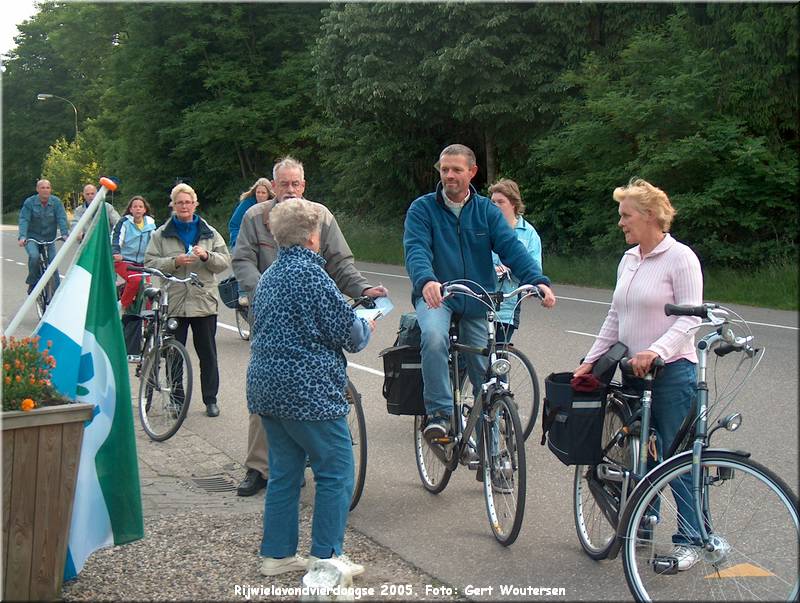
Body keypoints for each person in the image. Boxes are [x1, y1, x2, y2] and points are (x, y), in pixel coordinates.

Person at [232, 156, 387, 497]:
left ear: (304, 185)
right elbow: (242, 259)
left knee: (325, 377)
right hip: (269, 313)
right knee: (269, 388)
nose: (290, 190)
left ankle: (317, 457)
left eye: (296, 184)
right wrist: (264, 291)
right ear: (272, 187)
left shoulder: (321, 216)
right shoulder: (255, 217)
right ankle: (259, 466)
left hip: (314, 309)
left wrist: (363, 290)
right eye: (284, 184)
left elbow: (341, 263)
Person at [573, 178, 703, 571]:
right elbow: (616, 317)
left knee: (674, 457)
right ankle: (644, 522)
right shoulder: (629, 260)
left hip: (671, 372)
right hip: (631, 371)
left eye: (626, 215)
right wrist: (591, 359)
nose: (621, 223)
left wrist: (655, 351)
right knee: (638, 456)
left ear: (649, 216)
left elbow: (690, 320)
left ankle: (690, 540)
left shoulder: (680, 258)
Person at [247, 198, 373, 578]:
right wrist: (366, 322)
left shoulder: (269, 277)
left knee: (284, 472)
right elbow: (349, 334)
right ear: (313, 236)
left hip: (266, 388)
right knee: (335, 469)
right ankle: (327, 557)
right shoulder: (312, 275)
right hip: (308, 390)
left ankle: (277, 554)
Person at [403, 144, 556, 443]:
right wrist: (426, 281)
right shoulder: (423, 208)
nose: (449, 175)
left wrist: (538, 281)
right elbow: (416, 250)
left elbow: (511, 248)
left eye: (457, 170)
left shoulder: (486, 210)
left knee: (486, 375)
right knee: (434, 338)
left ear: (472, 172)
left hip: (476, 298)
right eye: (445, 169)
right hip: (438, 295)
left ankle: (495, 453)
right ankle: (439, 414)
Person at [144, 183, 231, 417]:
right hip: (174, 302)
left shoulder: (209, 232)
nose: (184, 206)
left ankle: (210, 400)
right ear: (173, 205)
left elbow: (224, 261)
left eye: (188, 202)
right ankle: (176, 398)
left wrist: (206, 255)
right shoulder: (160, 234)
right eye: (179, 202)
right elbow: (149, 263)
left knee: (208, 354)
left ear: (195, 204)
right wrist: (174, 262)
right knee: (173, 353)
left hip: (203, 301)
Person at [488, 178, 543, 343]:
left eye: (500, 202)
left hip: (508, 307)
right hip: (482, 301)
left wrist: (532, 287)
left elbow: (534, 267)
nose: (495, 205)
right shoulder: (485, 228)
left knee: (499, 355)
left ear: (513, 204)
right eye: (492, 202)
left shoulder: (529, 233)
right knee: (476, 355)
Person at [112, 195, 157, 360]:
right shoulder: (124, 222)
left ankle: (147, 323)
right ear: (130, 209)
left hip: (143, 263)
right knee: (136, 280)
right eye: (134, 206)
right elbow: (116, 238)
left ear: (145, 209)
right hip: (125, 261)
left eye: (140, 206)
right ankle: (122, 306)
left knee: (149, 290)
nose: (137, 209)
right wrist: (116, 252)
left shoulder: (151, 224)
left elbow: (156, 242)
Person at [228, 177, 276, 306]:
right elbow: (234, 224)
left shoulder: (274, 205)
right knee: (244, 258)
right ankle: (243, 292)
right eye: (258, 192)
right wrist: (237, 240)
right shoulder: (247, 204)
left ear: (269, 194)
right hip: (244, 237)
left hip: (264, 239)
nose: (260, 195)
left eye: (263, 193)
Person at [18, 179, 70, 294]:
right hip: (32, 237)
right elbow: (24, 219)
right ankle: (33, 282)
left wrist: (65, 234)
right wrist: (22, 236)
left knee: (53, 264)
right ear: (37, 190)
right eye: (42, 188)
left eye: (48, 188)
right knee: (34, 256)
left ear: (50, 189)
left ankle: (57, 294)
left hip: (49, 238)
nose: (45, 190)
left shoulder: (56, 202)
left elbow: (61, 218)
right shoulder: (29, 202)